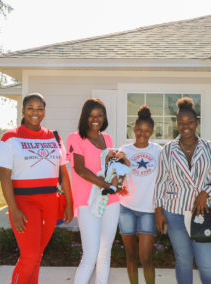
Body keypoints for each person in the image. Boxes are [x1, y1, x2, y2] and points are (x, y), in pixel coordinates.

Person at [0, 93, 74, 284]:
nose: (35, 112)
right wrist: (13, 209)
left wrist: (70, 204)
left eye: (39, 108)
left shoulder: (54, 137)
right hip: (24, 202)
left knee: (37, 255)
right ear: (23, 110)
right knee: (29, 256)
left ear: (44, 112)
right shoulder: (10, 138)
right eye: (30, 108)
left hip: (50, 202)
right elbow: (4, 177)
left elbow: (64, 174)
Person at [154, 97, 211, 284]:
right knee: (183, 260)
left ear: (197, 123)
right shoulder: (167, 150)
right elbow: (161, 181)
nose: (185, 126)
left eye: (190, 122)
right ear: (176, 123)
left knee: (206, 262)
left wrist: (205, 193)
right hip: (175, 212)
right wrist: (158, 211)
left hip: (204, 212)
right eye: (181, 122)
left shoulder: (210, 147)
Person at [66, 98, 123, 284]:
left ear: (104, 117)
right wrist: (105, 185)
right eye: (91, 115)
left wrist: (116, 181)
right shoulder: (75, 137)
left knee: (105, 253)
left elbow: (111, 167)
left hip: (111, 201)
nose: (95, 119)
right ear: (85, 117)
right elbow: (79, 169)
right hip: (88, 202)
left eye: (99, 115)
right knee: (90, 254)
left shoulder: (107, 138)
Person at [118, 105, 162, 284]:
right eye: (139, 130)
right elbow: (118, 176)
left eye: (146, 131)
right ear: (134, 129)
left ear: (152, 131)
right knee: (130, 256)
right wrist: (123, 164)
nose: (142, 134)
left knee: (145, 258)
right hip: (126, 207)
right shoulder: (124, 150)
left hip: (148, 210)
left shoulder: (158, 151)